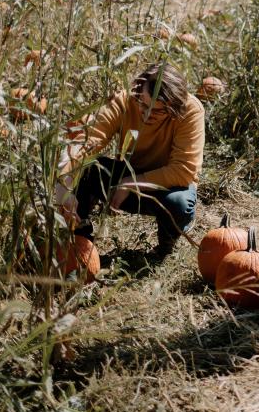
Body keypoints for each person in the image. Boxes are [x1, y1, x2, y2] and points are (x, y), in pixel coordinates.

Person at [55, 62, 205, 263]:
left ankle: (164, 248)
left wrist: (130, 183)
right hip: (127, 173)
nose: (147, 114)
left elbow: (183, 171)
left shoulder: (190, 110)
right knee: (88, 170)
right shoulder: (125, 101)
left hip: (165, 186)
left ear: (174, 106)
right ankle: (80, 237)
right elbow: (88, 141)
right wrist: (64, 181)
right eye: (143, 104)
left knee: (179, 204)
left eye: (158, 111)